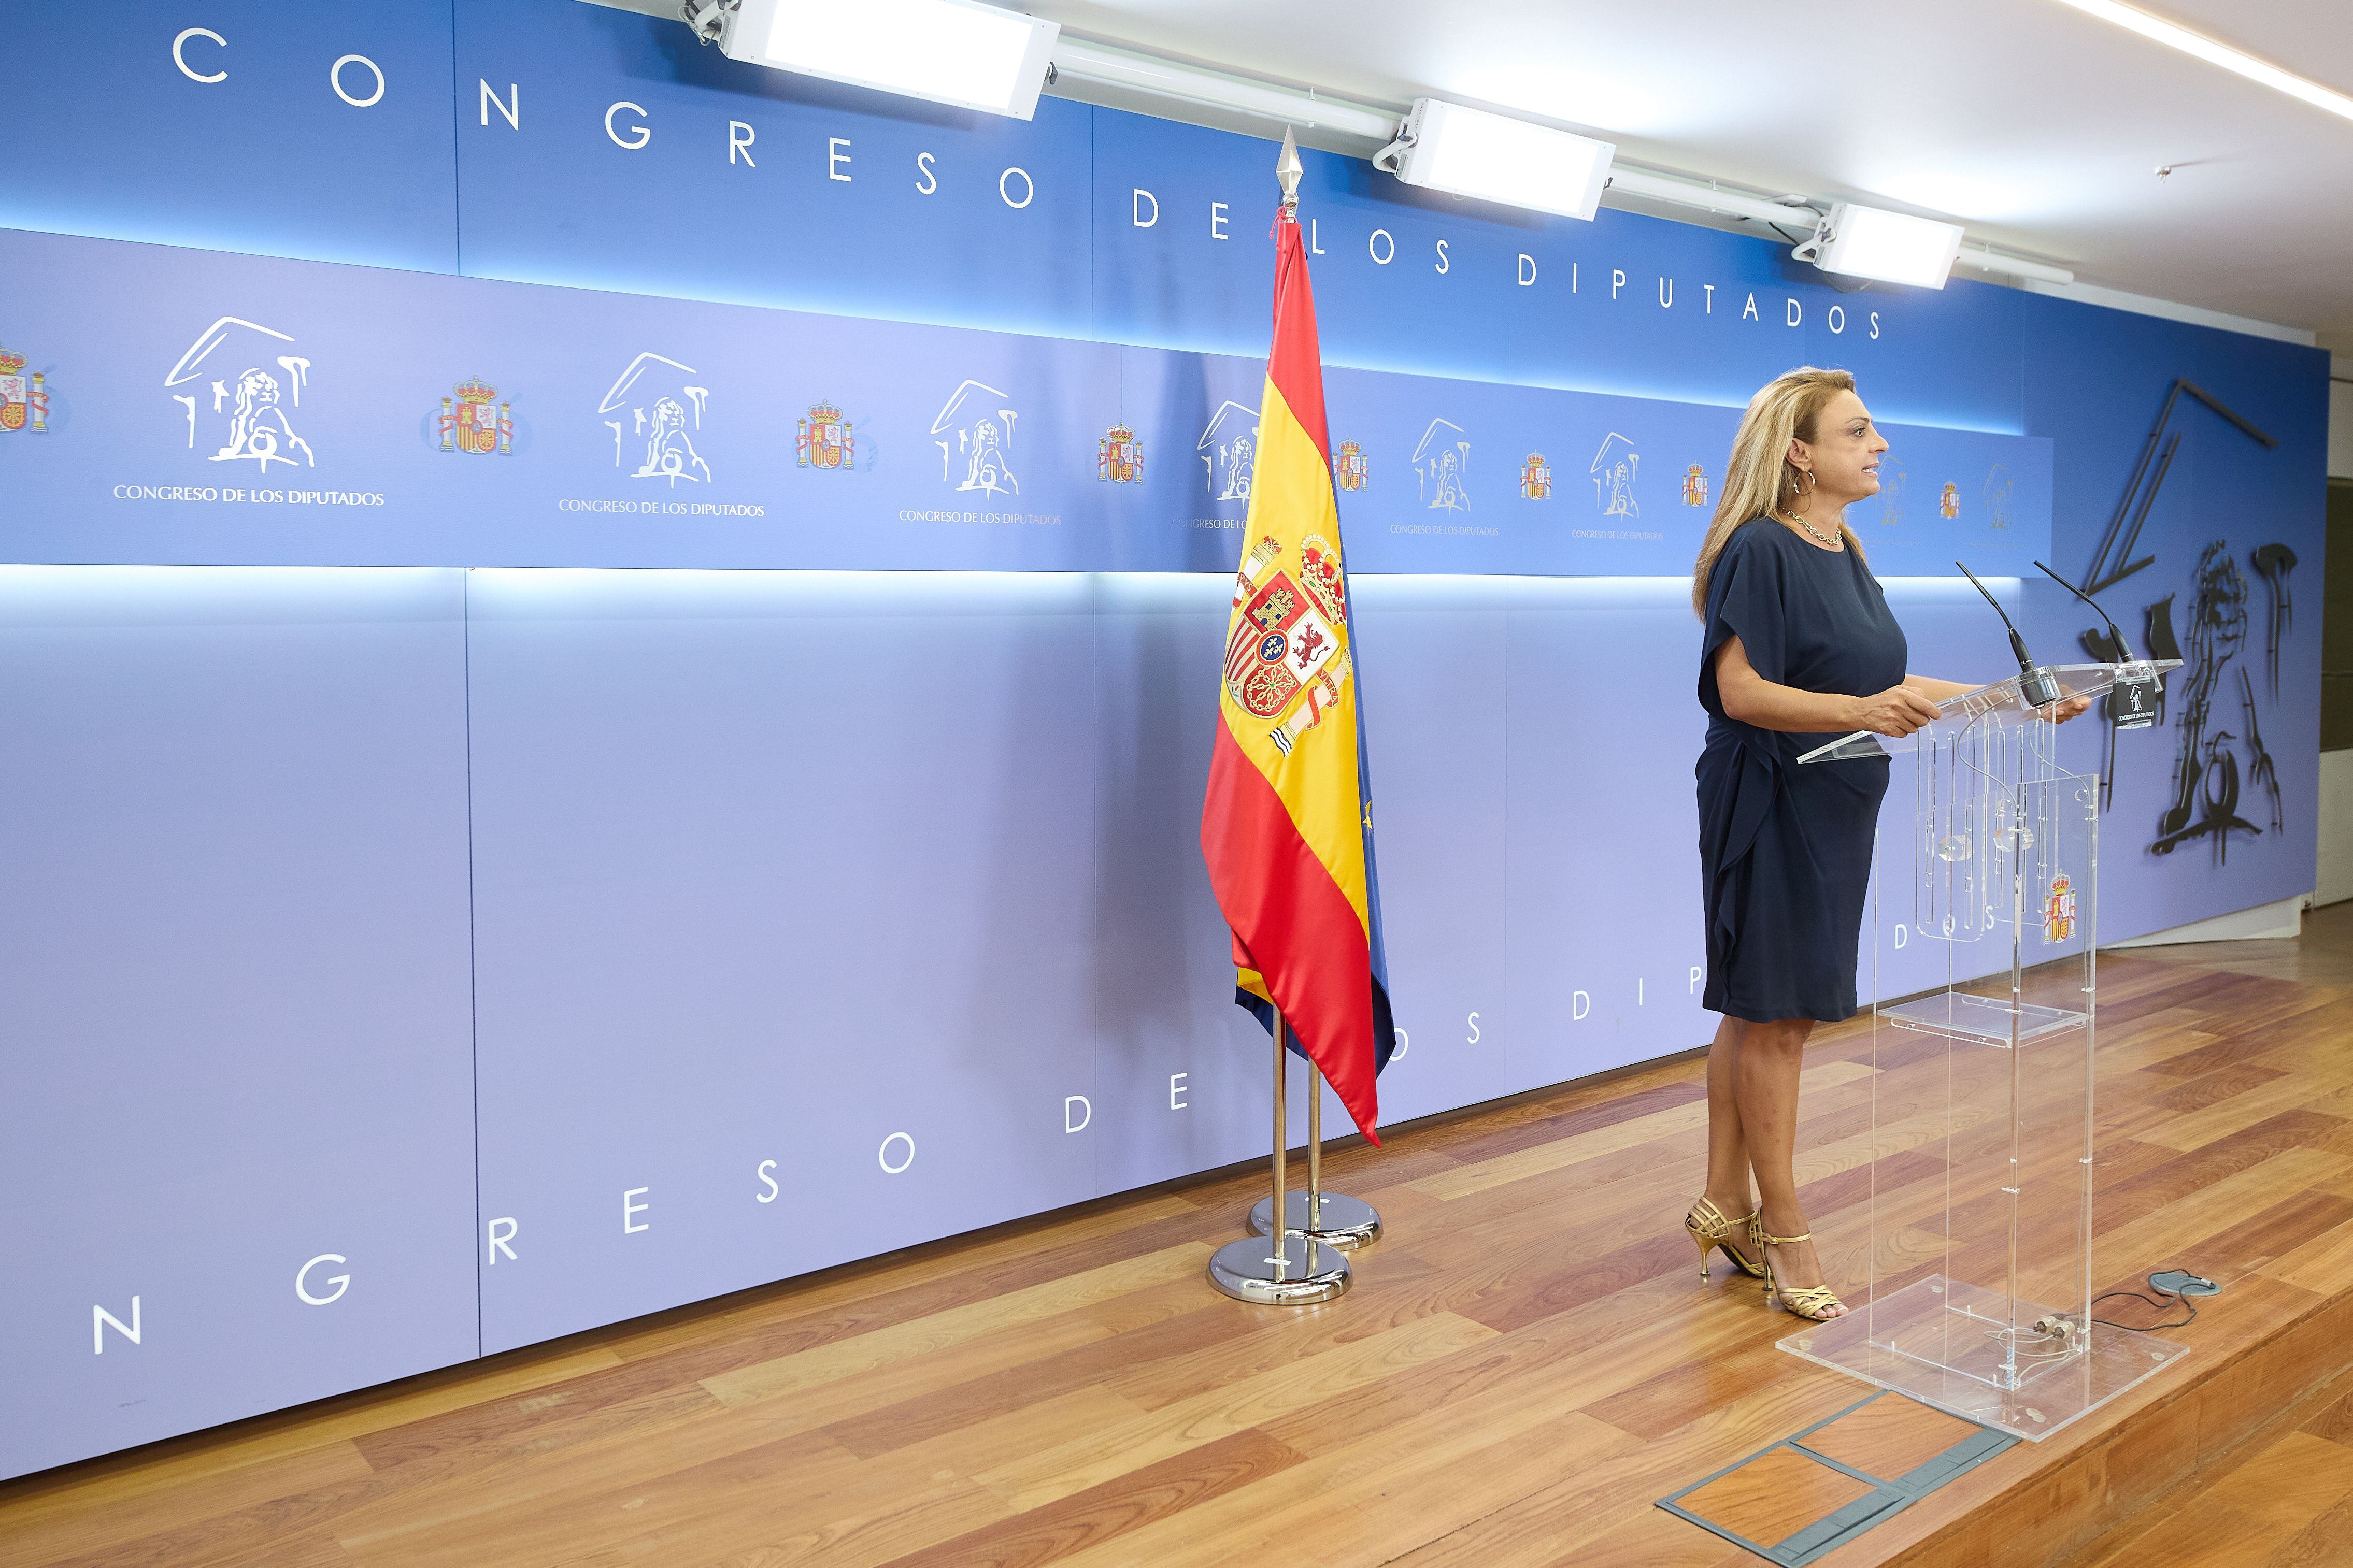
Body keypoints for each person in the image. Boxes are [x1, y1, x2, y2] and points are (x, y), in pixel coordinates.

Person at [1682, 367, 2083, 1321]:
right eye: (1858, 431)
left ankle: (1722, 1203)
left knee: (1759, 1007)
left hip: (1836, 799)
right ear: (1799, 452)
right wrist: (1853, 711)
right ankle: (1783, 1226)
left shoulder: (1842, 545)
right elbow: (1740, 692)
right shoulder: (1759, 550)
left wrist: (2012, 699)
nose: (1880, 446)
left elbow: (1886, 676)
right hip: (1772, 795)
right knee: (1776, 1014)